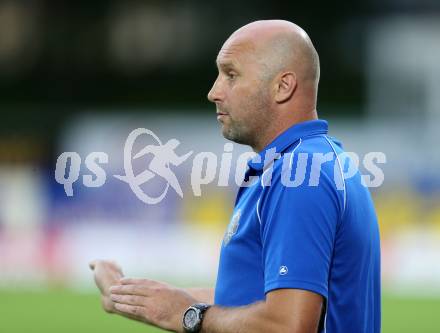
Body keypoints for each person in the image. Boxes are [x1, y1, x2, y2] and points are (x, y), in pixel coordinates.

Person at [90, 20, 381, 333]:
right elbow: (249, 299)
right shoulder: (306, 163)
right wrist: (135, 298)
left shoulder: (300, 175)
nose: (213, 92)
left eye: (231, 74)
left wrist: (187, 316)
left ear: (283, 86)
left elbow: (288, 325)